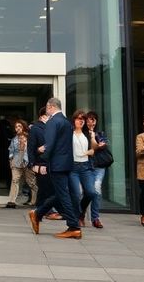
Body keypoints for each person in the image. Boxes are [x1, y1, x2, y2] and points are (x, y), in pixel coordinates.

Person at [28, 97, 83, 239]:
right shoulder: (66, 122)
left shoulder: (53, 122)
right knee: (61, 194)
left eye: (47, 107)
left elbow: (50, 144)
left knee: (63, 194)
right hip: (67, 164)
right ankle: (38, 213)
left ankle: (73, 226)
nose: (47, 110)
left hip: (57, 165)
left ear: (50, 106)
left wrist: (43, 160)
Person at [68, 110, 99, 228]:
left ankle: (80, 213)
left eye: (82, 119)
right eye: (78, 118)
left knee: (91, 192)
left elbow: (94, 148)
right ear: (74, 120)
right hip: (73, 167)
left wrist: (92, 138)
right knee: (76, 194)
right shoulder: (69, 133)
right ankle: (76, 217)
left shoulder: (87, 133)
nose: (80, 121)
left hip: (86, 167)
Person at [80, 111, 107, 228]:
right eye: (89, 120)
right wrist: (91, 136)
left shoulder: (100, 133)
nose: (91, 122)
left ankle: (95, 218)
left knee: (96, 190)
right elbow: (92, 147)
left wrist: (93, 136)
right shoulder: (82, 134)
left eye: (93, 119)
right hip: (86, 166)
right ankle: (81, 215)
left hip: (99, 166)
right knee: (86, 192)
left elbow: (98, 146)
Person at [6, 119, 37, 208]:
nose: (17, 128)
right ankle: (11, 201)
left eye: (19, 126)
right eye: (16, 127)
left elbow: (32, 150)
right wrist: (11, 161)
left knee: (31, 182)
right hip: (16, 160)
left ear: (23, 127)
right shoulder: (14, 139)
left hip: (27, 161)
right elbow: (11, 151)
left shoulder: (30, 138)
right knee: (15, 180)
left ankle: (35, 200)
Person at [27, 108, 52, 210]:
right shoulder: (35, 129)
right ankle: (40, 210)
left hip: (50, 163)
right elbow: (31, 147)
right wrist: (33, 164)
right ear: (42, 116)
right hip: (40, 163)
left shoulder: (51, 128)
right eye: (49, 116)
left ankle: (42, 210)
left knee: (48, 188)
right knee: (43, 188)